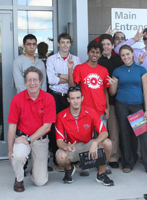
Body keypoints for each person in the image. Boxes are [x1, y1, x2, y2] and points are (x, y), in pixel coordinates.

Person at [109, 45, 147, 175]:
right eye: (123, 55)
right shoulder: (117, 71)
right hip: (122, 106)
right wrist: (112, 85)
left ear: (132, 54)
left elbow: (146, 90)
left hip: (137, 106)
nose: (126, 57)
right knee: (125, 134)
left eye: (127, 54)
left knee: (143, 135)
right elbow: (112, 93)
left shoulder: (141, 70)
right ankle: (128, 163)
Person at [7, 66, 56, 192]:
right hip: (22, 138)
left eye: (35, 80)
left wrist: (29, 139)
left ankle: (37, 166)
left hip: (39, 139)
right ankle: (19, 179)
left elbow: (47, 126)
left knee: (40, 182)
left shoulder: (48, 98)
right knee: (18, 156)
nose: (32, 83)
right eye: (29, 80)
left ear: (40, 81)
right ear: (25, 82)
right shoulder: (17, 99)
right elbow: (12, 126)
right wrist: (10, 150)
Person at [55, 86, 114, 186]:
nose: (75, 101)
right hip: (72, 147)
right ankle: (69, 169)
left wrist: (95, 142)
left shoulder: (90, 112)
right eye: (72, 98)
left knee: (107, 143)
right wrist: (66, 146)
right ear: (68, 100)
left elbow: (104, 132)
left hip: (88, 145)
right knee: (60, 157)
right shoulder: (61, 116)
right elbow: (59, 141)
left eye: (78, 98)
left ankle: (101, 174)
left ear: (82, 98)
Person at [46, 33, 81, 169]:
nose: (65, 44)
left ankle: (74, 157)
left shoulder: (76, 59)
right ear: (58, 44)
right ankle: (57, 157)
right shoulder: (51, 59)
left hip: (71, 96)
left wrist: (59, 75)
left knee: (72, 126)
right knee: (55, 127)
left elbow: (76, 80)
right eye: (63, 42)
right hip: (55, 96)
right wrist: (68, 77)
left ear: (70, 44)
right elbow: (51, 80)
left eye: (68, 42)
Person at [68, 41, 109, 128]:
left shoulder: (104, 70)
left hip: (101, 110)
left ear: (101, 55)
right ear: (88, 53)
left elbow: (105, 91)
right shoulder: (79, 68)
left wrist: (107, 108)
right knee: (86, 139)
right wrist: (70, 69)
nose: (95, 54)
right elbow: (72, 86)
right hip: (85, 109)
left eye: (97, 52)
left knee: (102, 138)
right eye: (92, 52)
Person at [98, 34, 123, 168]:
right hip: (98, 103)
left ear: (112, 46)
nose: (106, 47)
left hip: (114, 101)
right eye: (103, 44)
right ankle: (99, 157)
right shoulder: (96, 61)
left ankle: (113, 157)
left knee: (114, 131)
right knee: (99, 132)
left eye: (108, 44)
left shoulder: (118, 61)